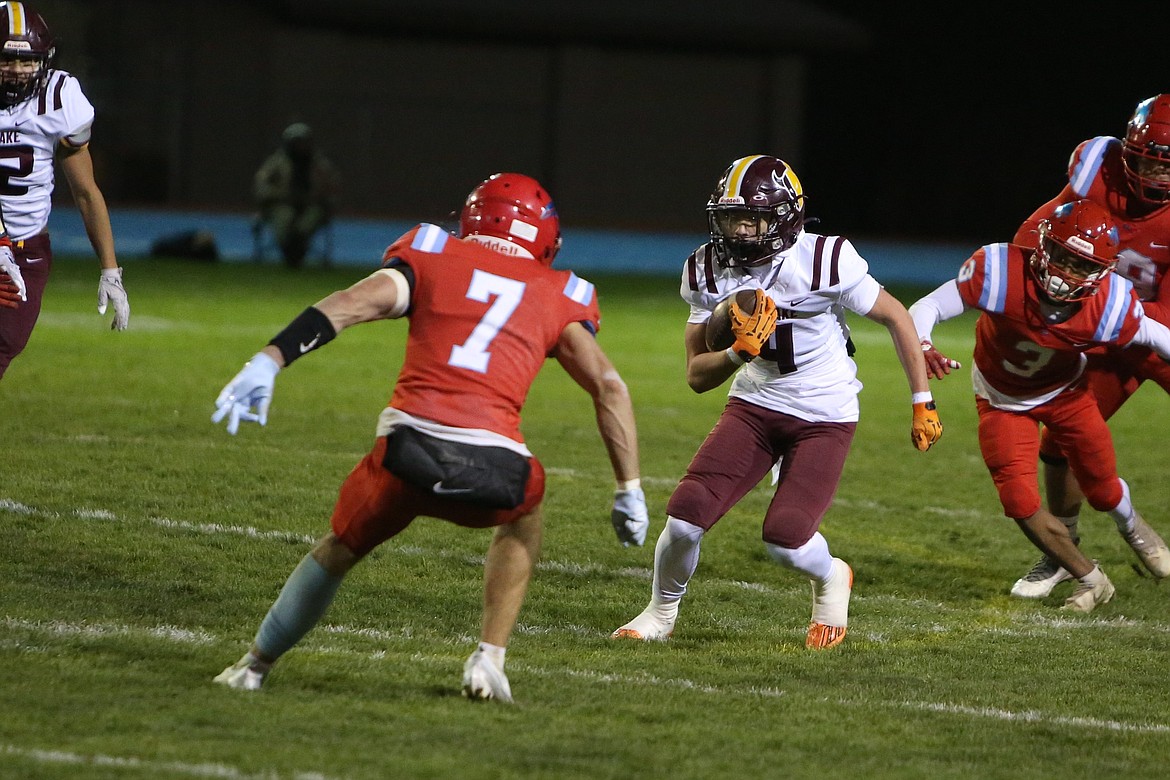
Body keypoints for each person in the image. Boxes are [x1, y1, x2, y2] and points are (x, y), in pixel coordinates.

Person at [211, 172, 649, 703]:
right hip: (497, 471)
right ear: (545, 238)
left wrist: (270, 359)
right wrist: (629, 487)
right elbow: (609, 385)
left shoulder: (430, 254)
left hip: (406, 458)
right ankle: (490, 659)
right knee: (526, 509)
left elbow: (350, 304)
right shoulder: (561, 293)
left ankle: (254, 665)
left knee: (339, 549)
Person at [610, 155, 941, 651]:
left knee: (786, 538)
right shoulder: (705, 267)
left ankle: (832, 579)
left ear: (784, 218)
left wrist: (922, 399)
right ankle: (661, 611)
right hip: (756, 403)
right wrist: (736, 352)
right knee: (684, 516)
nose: (738, 231)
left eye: (751, 218)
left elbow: (896, 316)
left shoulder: (825, 259)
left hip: (824, 412)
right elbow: (697, 377)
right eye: (728, 217)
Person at [909, 199, 1170, 612]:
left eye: (1082, 267)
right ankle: (1089, 577)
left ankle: (1132, 525)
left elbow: (1156, 336)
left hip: (1067, 396)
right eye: (1063, 258)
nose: (1067, 275)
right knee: (1018, 501)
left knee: (1102, 489)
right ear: (1044, 244)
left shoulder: (1109, 305)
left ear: (1103, 272)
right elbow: (927, 306)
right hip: (1002, 400)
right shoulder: (1000, 271)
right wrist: (923, 342)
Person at [1003, 94, 1170, 598]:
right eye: (1147, 162)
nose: (1158, 178)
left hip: (1145, 324)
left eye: (1168, 167)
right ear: (1127, 151)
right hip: (1089, 320)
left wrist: (1119, 318)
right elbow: (1035, 235)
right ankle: (1062, 548)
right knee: (1062, 436)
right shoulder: (1096, 168)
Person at [0, 1, 128, 380]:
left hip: (25, 253)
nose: (18, 71)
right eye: (7, 59)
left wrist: (110, 270)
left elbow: (86, 191)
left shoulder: (59, 98)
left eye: (27, 62)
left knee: (6, 343)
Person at [253, 122, 340, 269]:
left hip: (311, 205)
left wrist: (321, 198)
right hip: (282, 204)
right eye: (297, 142)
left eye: (304, 142)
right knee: (284, 220)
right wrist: (278, 195)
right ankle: (288, 248)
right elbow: (261, 184)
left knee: (306, 224)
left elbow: (333, 185)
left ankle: (298, 246)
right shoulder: (277, 163)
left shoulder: (319, 164)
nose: (301, 146)